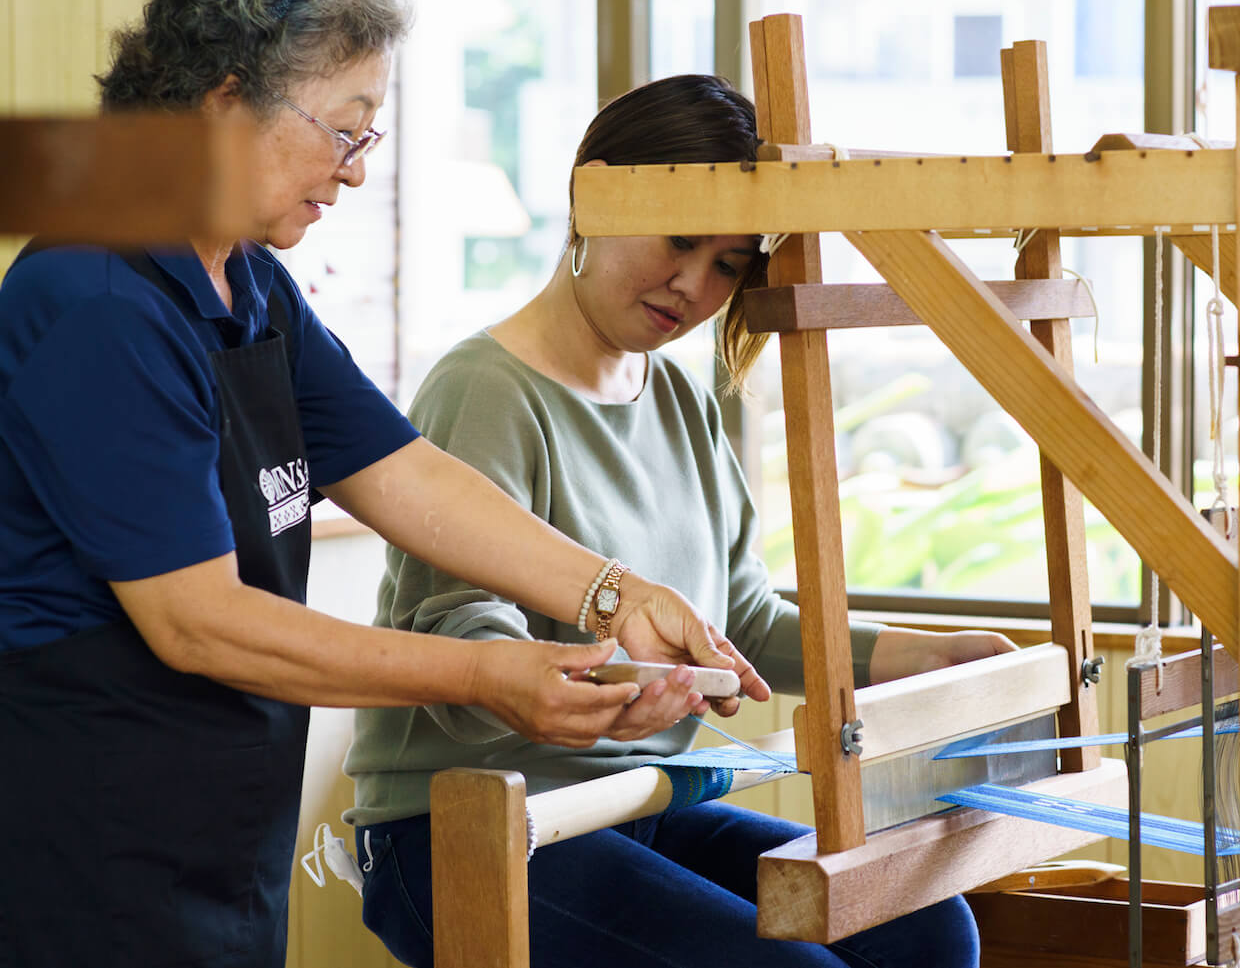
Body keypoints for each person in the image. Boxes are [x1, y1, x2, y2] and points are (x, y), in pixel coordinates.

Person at [0, 0, 757, 967]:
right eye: (347, 130)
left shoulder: (254, 287)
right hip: (88, 837)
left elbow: (404, 475)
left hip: (222, 823)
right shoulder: (94, 297)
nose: (355, 171)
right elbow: (198, 619)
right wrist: (490, 670)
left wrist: (615, 595)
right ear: (227, 103)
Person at [347, 74, 1021, 968]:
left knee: (930, 930)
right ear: (592, 192)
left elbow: (740, 625)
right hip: (471, 830)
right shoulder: (484, 390)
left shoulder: (677, 396)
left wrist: (928, 656)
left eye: (729, 265)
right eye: (680, 240)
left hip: (639, 805)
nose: (694, 286)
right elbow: (465, 646)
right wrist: (602, 688)